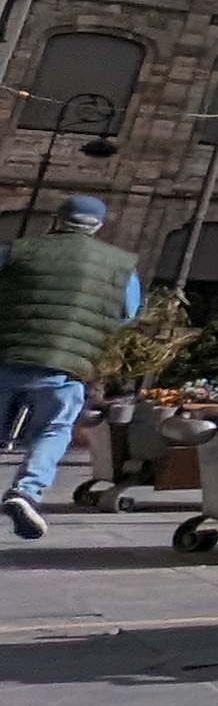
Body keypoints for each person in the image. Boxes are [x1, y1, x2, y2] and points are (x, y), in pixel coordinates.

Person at [0, 196, 139, 540]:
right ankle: (26, 492)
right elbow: (128, 316)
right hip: (67, 366)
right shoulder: (121, 267)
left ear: (56, 220)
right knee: (53, 429)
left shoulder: (17, 250)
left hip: (8, 355)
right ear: (99, 226)